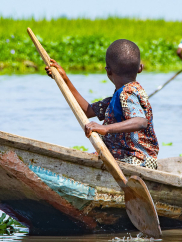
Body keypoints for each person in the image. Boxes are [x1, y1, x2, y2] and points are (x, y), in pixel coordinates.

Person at [46, 39, 159, 169]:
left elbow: (140, 122)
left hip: (137, 161)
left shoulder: (128, 93)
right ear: (140, 68)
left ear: (108, 71)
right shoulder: (118, 96)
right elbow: (87, 111)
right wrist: (64, 79)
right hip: (121, 157)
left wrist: (105, 128)